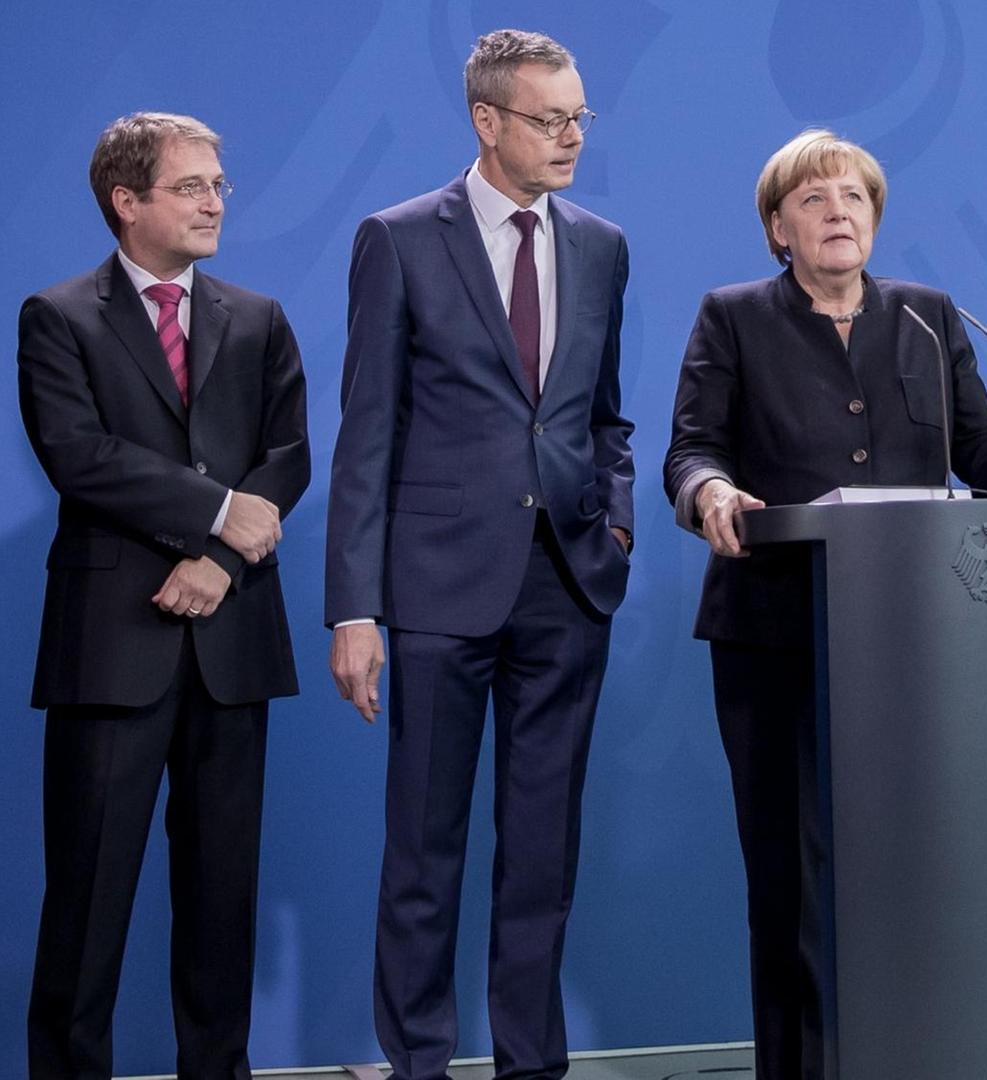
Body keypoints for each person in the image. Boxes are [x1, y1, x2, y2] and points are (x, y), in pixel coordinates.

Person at [662, 128, 987, 1080]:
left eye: (856, 197)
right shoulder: (733, 317)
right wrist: (710, 494)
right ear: (777, 228)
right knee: (790, 870)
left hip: (912, 639)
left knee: (901, 864)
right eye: (816, 199)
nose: (840, 211)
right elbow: (691, 449)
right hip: (774, 633)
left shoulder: (927, 318)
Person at [323, 28, 633, 1080]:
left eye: (580, 115)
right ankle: (417, 1061)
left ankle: (529, 1063)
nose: (571, 137)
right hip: (437, 589)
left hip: (566, 586)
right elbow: (367, 432)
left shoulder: (601, 244)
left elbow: (606, 418)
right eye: (550, 120)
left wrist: (618, 526)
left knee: (542, 855)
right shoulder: (400, 238)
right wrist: (353, 608)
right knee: (426, 850)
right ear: (486, 123)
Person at [17, 111, 310, 1079]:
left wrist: (222, 561)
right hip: (113, 647)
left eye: (220, 184)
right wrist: (220, 515)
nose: (216, 201)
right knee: (89, 901)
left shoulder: (258, 318)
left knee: (223, 899)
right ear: (127, 201)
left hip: (232, 642)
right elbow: (80, 458)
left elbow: (288, 456)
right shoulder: (58, 317)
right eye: (193, 187)